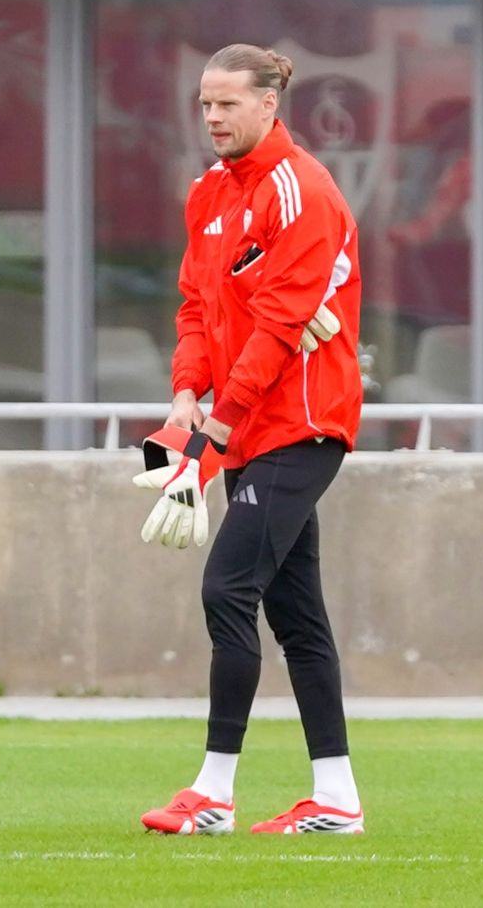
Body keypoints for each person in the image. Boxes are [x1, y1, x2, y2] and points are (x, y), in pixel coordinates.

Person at [133, 43, 365, 836]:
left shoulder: (305, 191)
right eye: (205, 104)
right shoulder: (207, 195)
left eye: (227, 103)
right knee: (297, 615)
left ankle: (214, 795)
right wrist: (186, 399)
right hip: (245, 428)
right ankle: (336, 802)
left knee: (225, 590)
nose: (213, 117)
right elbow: (197, 306)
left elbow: (276, 328)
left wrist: (213, 436)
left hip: (301, 425)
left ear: (270, 105)